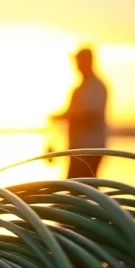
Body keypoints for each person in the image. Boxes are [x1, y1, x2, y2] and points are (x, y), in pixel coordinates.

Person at [50, 47, 108, 179]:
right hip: (77, 149)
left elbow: (91, 115)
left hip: (91, 149)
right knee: (79, 187)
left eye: (79, 61)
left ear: (88, 61)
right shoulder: (79, 88)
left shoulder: (96, 86)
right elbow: (73, 112)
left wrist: (65, 117)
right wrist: (59, 117)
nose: (76, 65)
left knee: (82, 188)